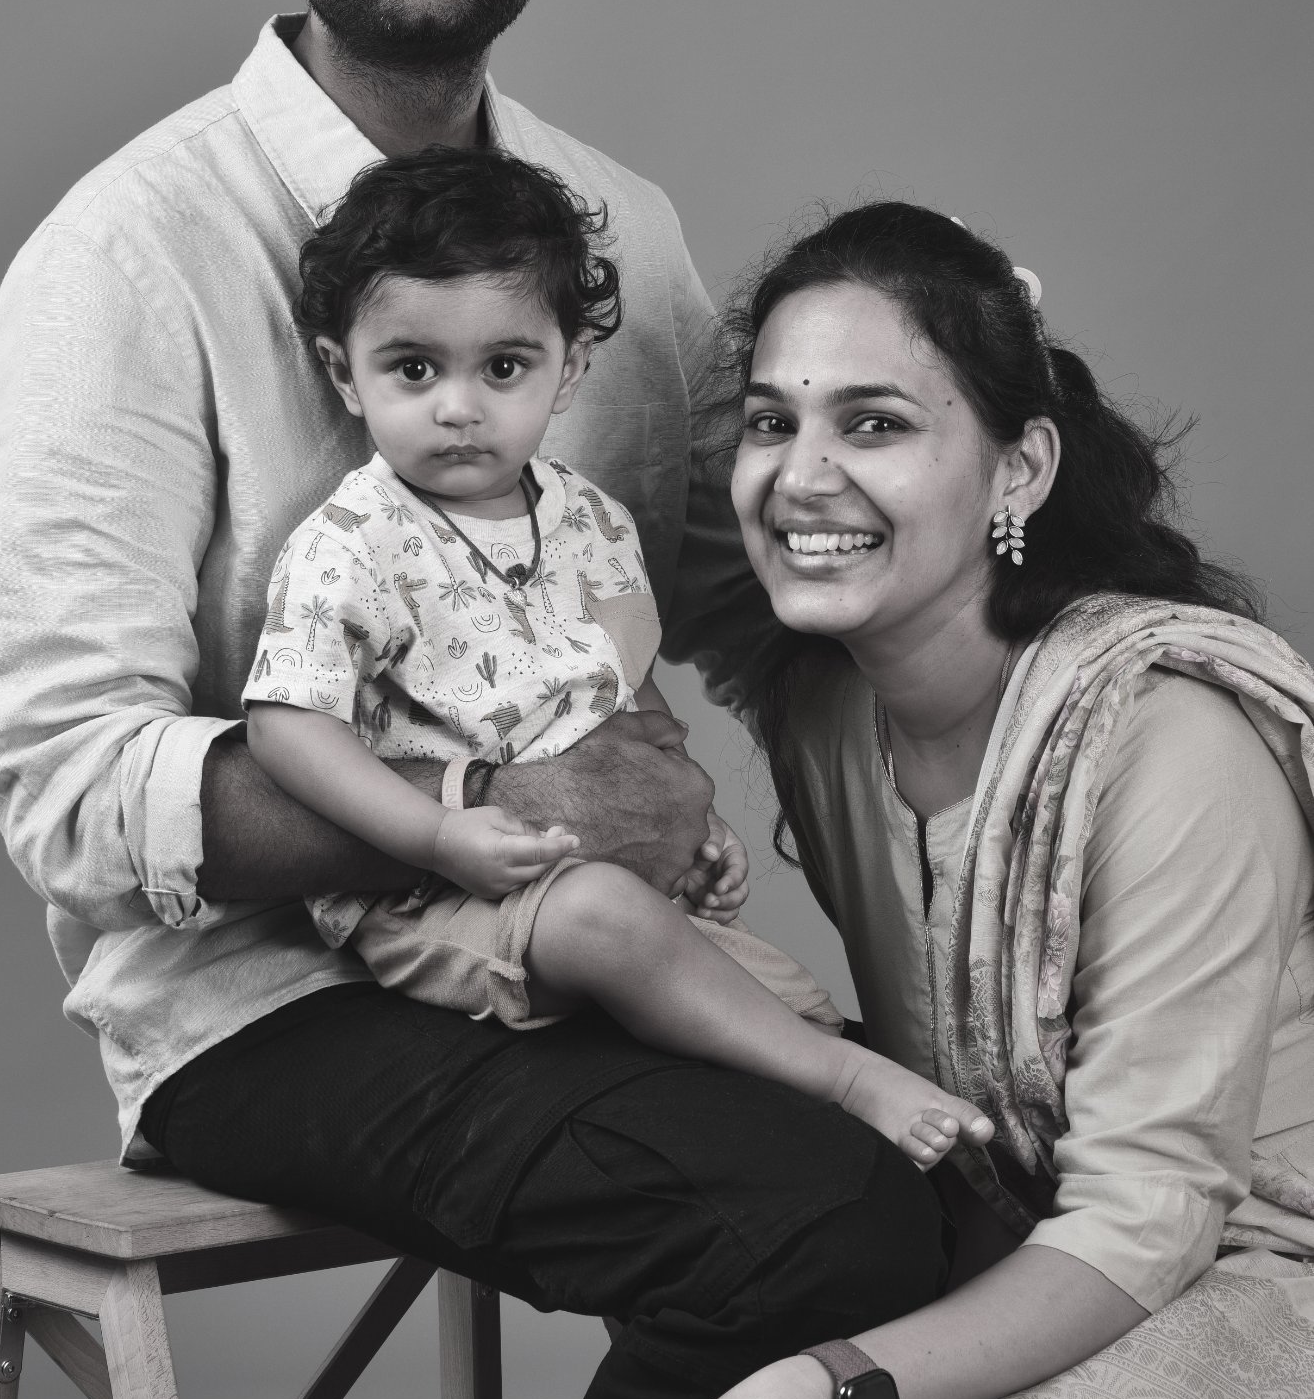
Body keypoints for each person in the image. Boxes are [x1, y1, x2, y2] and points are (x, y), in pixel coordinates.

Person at [0, 0, 952, 1399]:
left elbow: (781, 625)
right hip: (260, 1013)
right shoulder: (127, 258)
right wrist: (473, 817)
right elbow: (66, 793)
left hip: (602, 950)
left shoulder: (620, 238)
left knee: (981, 1197)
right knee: (799, 1225)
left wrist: (1057, 629)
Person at [593, 202, 1314, 1399]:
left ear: (1017, 470)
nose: (800, 477)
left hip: (1255, 1267)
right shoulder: (822, 703)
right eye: (770, 422)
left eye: (873, 424)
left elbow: (1149, 1217)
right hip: (1020, 1250)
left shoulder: (1167, 737)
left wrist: (828, 1397)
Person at [244, 143, 995, 1167]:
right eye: (413, 368)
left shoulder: (589, 519)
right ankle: (849, 1080)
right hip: (440, 901)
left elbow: (620, 696)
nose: (458, 405)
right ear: (345, 370)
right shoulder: (351, 541)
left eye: (502, 366)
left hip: (611, 883)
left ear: (569, 366)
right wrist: (433, 836)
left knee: (791, 1002)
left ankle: (835, 1073)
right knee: (609, 923)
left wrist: (689, 821)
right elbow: (287, 723)